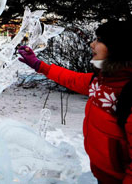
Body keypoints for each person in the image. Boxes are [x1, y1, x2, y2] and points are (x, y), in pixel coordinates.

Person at [18, 20, 132, 183]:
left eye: (99, 40)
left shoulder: (126, 91)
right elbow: (71, 79)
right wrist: (39, 65)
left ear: (118, 47)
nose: (92, 44)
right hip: (103, 172)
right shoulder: (100, 81)